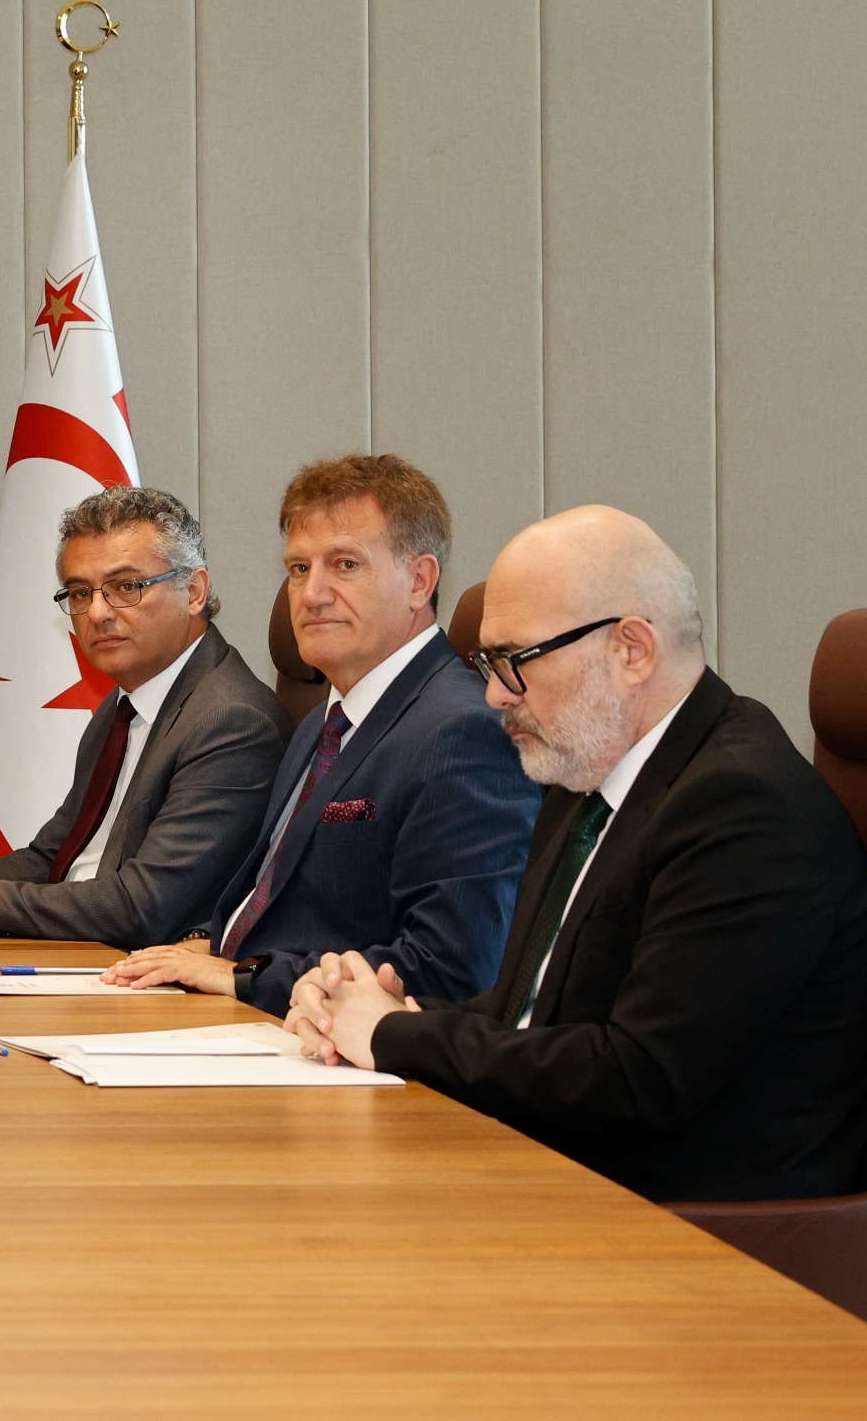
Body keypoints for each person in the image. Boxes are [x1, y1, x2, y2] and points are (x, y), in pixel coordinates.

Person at [289, 507, 867, 1202]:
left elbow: (638, 1079)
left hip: (700, 1227)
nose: (495, 694)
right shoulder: (584, 773)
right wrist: (381, 1009)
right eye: (487, 664)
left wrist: (394, 1036)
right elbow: (531, 1013)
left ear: (632, 651)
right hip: (572, 1171)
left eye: (515, 662)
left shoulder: (744, 809)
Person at [106, 455, 538, 1014]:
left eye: (345, 564)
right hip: (248, 1015)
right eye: (298, 568)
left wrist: (243, 976)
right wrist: (200, 948)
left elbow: (450, 968)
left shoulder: (463, 732)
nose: (311, 594)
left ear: (420, 581)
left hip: (343, 1046)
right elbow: (281, 908)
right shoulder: (322, 721)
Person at [0, 488, 291, 947]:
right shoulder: (124, 707)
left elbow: (141, 908)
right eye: (80, 592)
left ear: (194, 592)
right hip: (86, 956)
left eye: (127, 587)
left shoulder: (233, 721)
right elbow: (52, 858)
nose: (97, 612)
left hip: (149, 970)